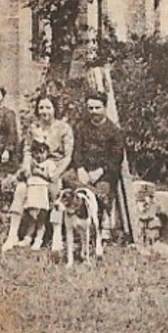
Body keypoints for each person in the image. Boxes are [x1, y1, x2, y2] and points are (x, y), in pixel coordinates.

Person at [1, 92, 73, 252]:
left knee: (55, 192)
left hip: (54, 167)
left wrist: (57, 173)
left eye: (48, 107)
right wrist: (27, 166)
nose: (44, 111)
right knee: (21, 189)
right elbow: (27, 150)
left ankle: (56, 235)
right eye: (41, 107)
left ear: (55, 109)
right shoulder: (34, 128)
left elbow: (68, 156)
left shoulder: (63, 128)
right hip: (35, 166)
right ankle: (12, 234)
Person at [62, 88, 126, 237]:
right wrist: (81, 168)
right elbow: (76, 150)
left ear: (104, 108)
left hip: (104, 174)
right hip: (84, 171)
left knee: (103, 190)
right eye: (90, 108)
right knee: (66, 178)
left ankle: (99, 225)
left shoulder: (114, 132)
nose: (94, 111)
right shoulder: (81, 127)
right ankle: (74, 221)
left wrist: (100, 171)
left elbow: (116, 158)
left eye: (97, 108)